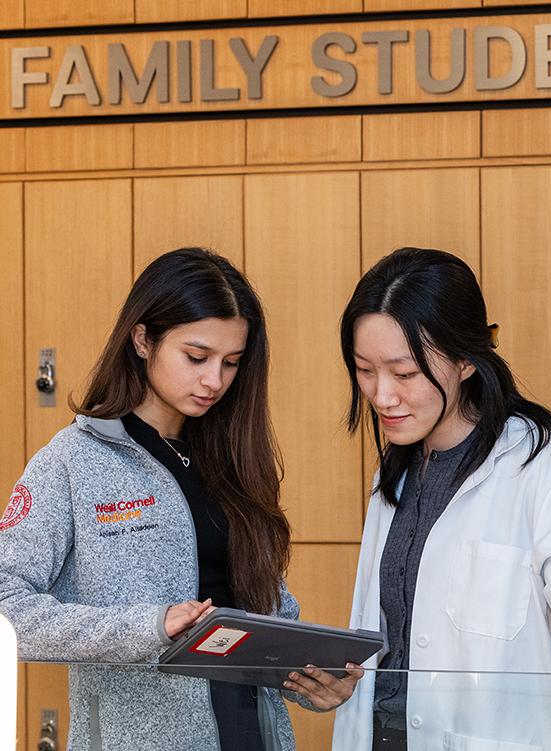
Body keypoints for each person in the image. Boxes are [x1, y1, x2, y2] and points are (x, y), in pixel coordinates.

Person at [0, 248, 357, 751]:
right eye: (196, 357)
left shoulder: (231, 461)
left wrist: (310, 680)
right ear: (143, 339)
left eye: (231, 363)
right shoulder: (71, 463)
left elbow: (263, 608)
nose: (215, 381)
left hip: (253, 734)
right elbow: (5, 607)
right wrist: (148, 628)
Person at [329, 247, 551, 751]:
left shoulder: (538, 469)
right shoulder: (396, 470)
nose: (381, 396)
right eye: (364, 370)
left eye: (404, 374)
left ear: (466, 358)